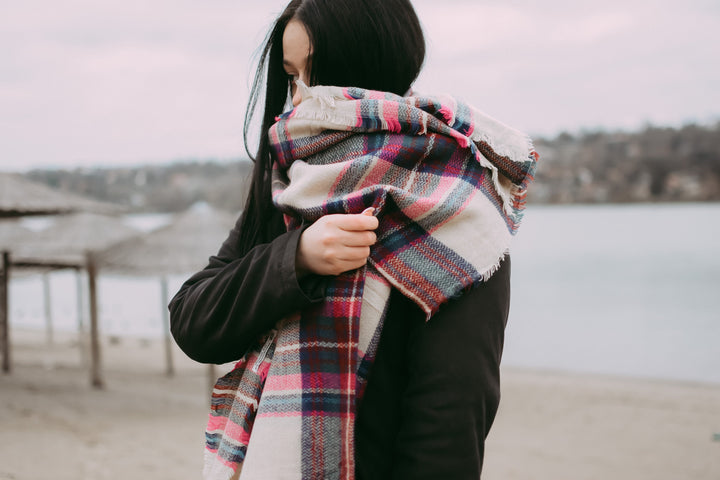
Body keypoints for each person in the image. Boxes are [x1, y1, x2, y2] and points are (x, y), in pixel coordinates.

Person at [169, 1, 538, 479]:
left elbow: (453, 412)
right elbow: (193, 321)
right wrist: (295, 258)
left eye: (311, 74)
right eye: (290, 76)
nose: (297, 98)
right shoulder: (287, 184)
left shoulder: (457, 199)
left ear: (364, 65)